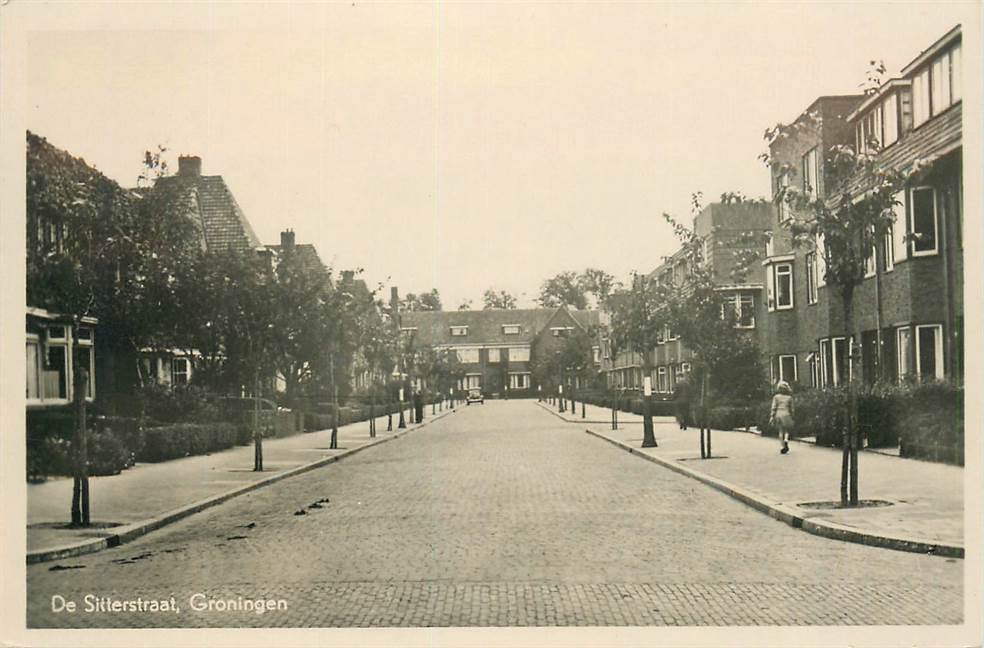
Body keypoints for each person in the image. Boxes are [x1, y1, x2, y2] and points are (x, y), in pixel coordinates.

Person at [770, 380, 795, 454]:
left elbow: (773, 407)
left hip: (778, 414)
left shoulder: (776, 397)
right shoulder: (789, 398)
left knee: (780, 431)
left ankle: (782, 446)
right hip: (787, 414)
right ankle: (786, 439)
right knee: (787, 430)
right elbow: (792, 409)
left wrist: (772, 416)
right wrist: (792, 415)